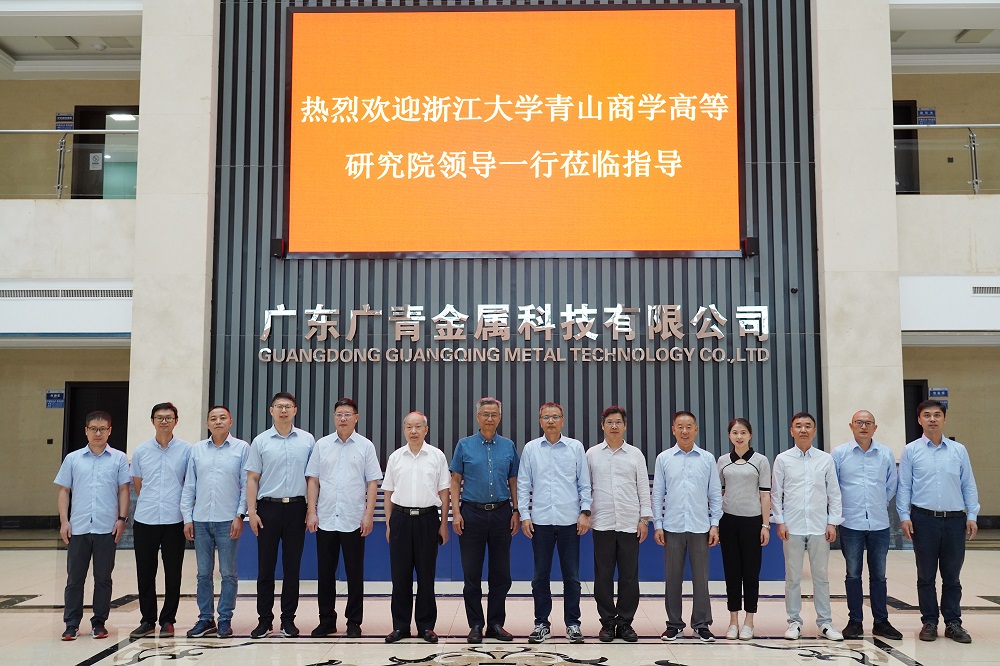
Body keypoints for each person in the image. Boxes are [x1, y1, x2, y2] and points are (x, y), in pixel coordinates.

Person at [898, 399, 979, 644]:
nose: (932, 419)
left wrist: (972, 515)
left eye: (937, 415)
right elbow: (904, 486)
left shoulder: (958, 450)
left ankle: (953, 623)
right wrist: (904, 516)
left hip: (955, 520)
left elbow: (968, 484)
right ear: (919, 419)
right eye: (927, 415)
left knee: (952, 576)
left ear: (944, 419)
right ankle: (929, 622)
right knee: (926, 575)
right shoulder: (911, 450)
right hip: (923, 520)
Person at [305, 398, 383, 638]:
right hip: (326, 517)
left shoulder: (366, 446)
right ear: (334, 417)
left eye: (347, 414)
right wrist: (311, 511)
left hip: (353, 518)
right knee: (325, 573)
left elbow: (372, 482)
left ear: (356, 418)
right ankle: (326, 620)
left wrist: (368, 514)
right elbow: (313, 479)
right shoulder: (322, 445)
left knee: (354, 573)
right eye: (339, 414)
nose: (343, 418)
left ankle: (354, 622)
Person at [517, 402, 592, 645]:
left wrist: (585, 512)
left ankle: (573, 623)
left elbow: (584, 483)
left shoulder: (575, 447)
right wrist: (525, 515)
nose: (551, 421)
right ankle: (542, 623)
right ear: (540, 421)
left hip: (570, 521)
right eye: (546, 417)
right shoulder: (531, 449)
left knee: (572, 576)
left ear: (563, 420)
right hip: (540, 522)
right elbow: (523, 484)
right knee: (540, 576)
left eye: (555, 417)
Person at [245, 391, 316, 639]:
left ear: (295, 411)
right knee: (265, 568)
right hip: (268, 509)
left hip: (296, 508)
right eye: (279, 406)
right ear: (271, 410)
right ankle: (264, 620)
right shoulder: (260, 441)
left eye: (288, 406)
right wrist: (251, 512)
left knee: (292, 568)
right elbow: (252, 478)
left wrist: (311, 510)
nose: (283, 410)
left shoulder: (307, 440)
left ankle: (288, 620)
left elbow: (312, 478)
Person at [55, 411, 130, 641]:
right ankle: (71, 624)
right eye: (94, 429)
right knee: (74, 579)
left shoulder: (118, 458)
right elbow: (64, 490)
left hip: (107, 528)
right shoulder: (73, 459)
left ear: (110, 431)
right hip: (78, 528)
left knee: (103, 578)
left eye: (103, 429)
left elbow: (124, 490)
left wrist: (122, 519)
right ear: (86, 431)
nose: (98, 433)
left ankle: (99, 623)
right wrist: (64, 521)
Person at [450, 397, 519, 643]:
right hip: (472, 513)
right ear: (478, 417)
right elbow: (455, 480)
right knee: (472, 573)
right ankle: (476, 624)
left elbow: (513, 480)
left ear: (500, 417)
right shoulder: (464, 445)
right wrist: (456, 513)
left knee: (501, 574)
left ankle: (496, 624)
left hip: (501, 513)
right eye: (485, 414)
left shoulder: (508, 446)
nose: (490, 418)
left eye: (494, 414)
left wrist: (516, 510)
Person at [771, 412, 843, 641]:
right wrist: (780, 521)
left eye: (808, 426)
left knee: (821, 577)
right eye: (798, 426)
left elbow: (834, 493)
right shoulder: (782, 459)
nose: (803, 430)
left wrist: (832, 522)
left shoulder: (825, 459)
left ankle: (825, 623)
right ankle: (794, 622)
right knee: (792, 577)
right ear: (791, 431)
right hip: (791, 527)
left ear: (814, 430)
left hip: (819, 526)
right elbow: (776, 493)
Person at [652, 410, 722, 643]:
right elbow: (658, 494)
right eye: (680, 426)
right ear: (673, 430)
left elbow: (715, 494)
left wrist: (714, 524)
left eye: (689, 426)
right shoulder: (664, 458)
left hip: (700, 527)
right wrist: (658, 524)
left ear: (696, 430)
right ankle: (674, 625)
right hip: (672, 527)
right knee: (672, 578)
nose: (684, 431)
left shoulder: (707, 458)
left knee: (701, 579)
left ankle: (701, 625)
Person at [831, 410, 902, 641]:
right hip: (850, 522)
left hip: (879, 522)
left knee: (879, 575)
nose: (864, 426)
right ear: (851, 426)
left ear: (875, 427)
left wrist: (878, 503)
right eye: (859, 423)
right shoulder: (839, 454)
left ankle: (881, 621)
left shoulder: (885, 454)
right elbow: (833, 487)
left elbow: (891, 485)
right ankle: (855, 622)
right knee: (853, 574)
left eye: (868, 423)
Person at [181, 405, 249, 639]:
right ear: (207, 423)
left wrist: (240, 515)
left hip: (228, 520)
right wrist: (187, 517)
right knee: (203, 573)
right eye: (213, 418)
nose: (218, 421)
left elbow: (246, 485)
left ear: (230, 421)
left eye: (222, 418)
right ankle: (205, 618)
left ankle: (225, 619)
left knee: (228, 573)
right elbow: (189, 485)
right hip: (200, 520)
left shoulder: (242, 448)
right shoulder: (197, 450)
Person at [382, 412, 451, 644]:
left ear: (426, 430)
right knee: (400, 576)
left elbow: (444, 492)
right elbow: (388, 493)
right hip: (400, 519)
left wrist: (443, 524)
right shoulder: (395, 457)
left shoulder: (437, 456)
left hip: (427, 519)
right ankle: (400, 626)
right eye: (409, 427)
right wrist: (389, 524)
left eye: (418, 426)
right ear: (404, 430)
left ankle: (426, 626)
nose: (413, 431)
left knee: (426, 576)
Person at [586, 406, 651, 643]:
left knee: (629, 577)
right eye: (610, 422)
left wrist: (644, 519)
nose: (614, 426)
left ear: (625, 426)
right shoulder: (592, 454)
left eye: (618, 422)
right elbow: (586, 487)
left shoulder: (635, 454)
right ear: (602, 425)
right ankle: (607, 623)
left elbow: (643, 488)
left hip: (629, 523)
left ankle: (624, 623)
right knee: (603, 576)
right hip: (601, 522)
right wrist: (585, 514)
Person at [129, 402, 191, 639]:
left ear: (176, 421)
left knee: (173, 572)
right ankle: (147, 620)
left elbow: (189, 484)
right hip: (145, 519)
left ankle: (168, 620)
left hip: (175, 519)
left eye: (168, 417)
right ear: (152, 421)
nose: (164, 421)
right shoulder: (141, 451)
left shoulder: (186, 450)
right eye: (159, 417)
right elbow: (138, 485)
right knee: (145, 572)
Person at [716, 418, 771, 641]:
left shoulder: (761, 461)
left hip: (753, 522)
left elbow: (765, 495)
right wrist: (715, 523)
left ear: (750, 435)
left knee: (751, 573)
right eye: (735, 433)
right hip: (728, 522)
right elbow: (718, 494)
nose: (739, 437)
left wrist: (765, 525)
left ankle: (749, 621)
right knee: (731, 572)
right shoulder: (722, 461)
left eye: (743, 432)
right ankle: (733, 621)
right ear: (729, 435)